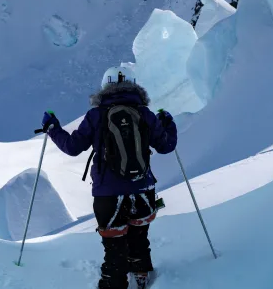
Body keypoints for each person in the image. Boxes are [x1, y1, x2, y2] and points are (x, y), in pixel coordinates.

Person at [41, 66, 178, 289]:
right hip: (143, 189)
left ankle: (114, 283)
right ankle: (141, 275)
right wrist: (167, 123)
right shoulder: (145, 114)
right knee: (139, 237)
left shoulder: (96, 115)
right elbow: (166, 146)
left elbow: (73, 147)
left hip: (108, 194)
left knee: (114, 247)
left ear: (105, 87)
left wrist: (53, 128)